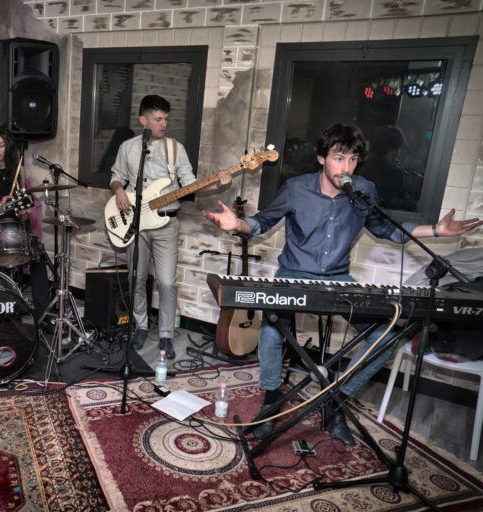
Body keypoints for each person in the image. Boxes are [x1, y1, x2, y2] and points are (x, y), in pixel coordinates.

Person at [203, 123, 481, 445]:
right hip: (294, 274)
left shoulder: (364, 190)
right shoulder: (295, 188)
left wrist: (437, 231)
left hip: (338, 279)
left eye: (352, 159)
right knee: (271, 330)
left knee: (387, 335)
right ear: (322, 158)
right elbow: (262, 222)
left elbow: (387, 229)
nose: (346, 167)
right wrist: (238, 223)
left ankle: (337, 400)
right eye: (339, 158)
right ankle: (271, 402)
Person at [110, 94, 232, 359]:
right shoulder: (128, 148)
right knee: (136, 277)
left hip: (166, 223)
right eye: (158, 119)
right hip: (135, 223)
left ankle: (166, 334)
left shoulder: (176, 149)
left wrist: (217, 185)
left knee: (166, 281)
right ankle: (141, 325)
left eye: (166, 119)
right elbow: (116, 177)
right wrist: (119, 190)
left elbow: (191, 185)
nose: (164, 124)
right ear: (143, 120)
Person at [0, 126, 50, 324]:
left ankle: (43, 317)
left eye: (1, 145)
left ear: (8, 147)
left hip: (13, 227)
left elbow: (23, 204)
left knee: (38, 255)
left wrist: (23, 212)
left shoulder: (18, 170)